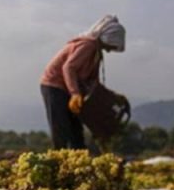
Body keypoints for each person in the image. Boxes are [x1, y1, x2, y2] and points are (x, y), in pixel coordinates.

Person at [40, 15, 126, 150]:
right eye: (111, 46)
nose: (110, 50)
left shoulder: (96, 52)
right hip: (54, 85)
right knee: (61, 127)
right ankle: (59, 160)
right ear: (107, 39)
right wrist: (74, 93)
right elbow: (68, 68)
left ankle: (78, 158)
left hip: (70, 88)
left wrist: (114, 95)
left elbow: (93, 83)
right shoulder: (88, 45)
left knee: (75, 129)